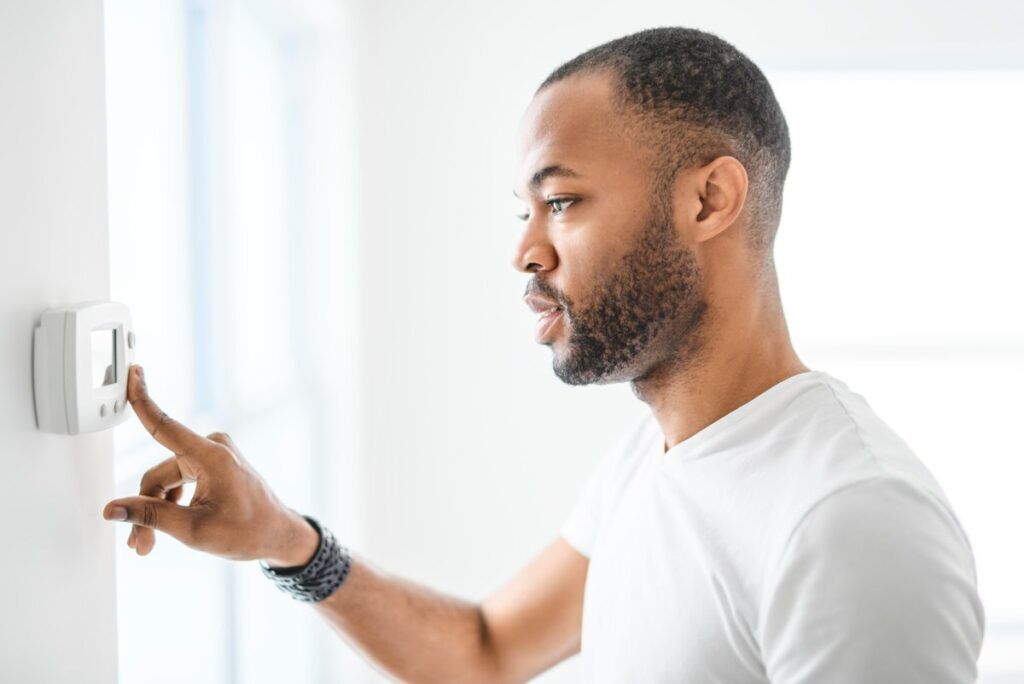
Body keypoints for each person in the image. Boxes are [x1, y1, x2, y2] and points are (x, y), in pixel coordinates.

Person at [102, 27, 984, 683]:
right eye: (522, 211)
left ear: (710, 200)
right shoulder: (654, 455)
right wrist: (284, 541)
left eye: (560, 202)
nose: (526, 251)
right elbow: (484, 652)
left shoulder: (849, 524)